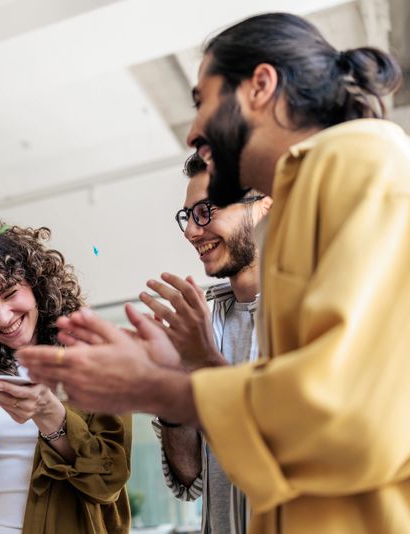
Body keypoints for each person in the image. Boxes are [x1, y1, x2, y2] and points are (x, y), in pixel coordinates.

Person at [16, 12, 410, 534]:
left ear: (260, 85)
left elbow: (354, 419)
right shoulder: (333, 180)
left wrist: (158, 390)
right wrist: (194, 370)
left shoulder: (361, 165)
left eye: (201, 101)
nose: (193, 131)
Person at [0, 221, 132, 534]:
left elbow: (107, 481)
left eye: (10, 293)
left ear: (37, 286)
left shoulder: (95, 355)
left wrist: (50, 416)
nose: (2, 317)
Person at [145, 154, 269, 534]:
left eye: (205, 211)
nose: (191, 232)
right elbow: (189, 479)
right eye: (187, 216)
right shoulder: (205, 320)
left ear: (265, 207)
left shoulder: (314, 309)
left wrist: (205, 365)